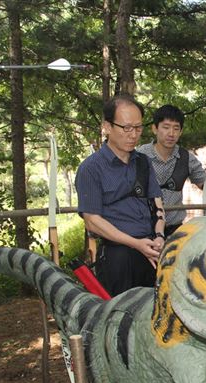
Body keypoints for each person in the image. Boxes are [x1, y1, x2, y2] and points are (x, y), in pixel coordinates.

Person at [75, 95, 166, 297]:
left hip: (151, 252)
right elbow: (92, 221)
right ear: (107, 127)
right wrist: (135, 244)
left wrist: (159, 235)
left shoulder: (143, 162)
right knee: (120, 318)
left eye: (138, 128)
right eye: (126, 128)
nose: (133, 135)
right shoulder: (91, 168)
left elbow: (156, 204)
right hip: (118, 256)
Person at [137, 104, 206, 237]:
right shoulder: (139, 155)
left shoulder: (186, 158)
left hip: (174, 230)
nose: (171, 133)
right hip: (142, 229)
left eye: (176, 128)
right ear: (155, 128)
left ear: (181, 131)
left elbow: (205, 183)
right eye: (166, 127)